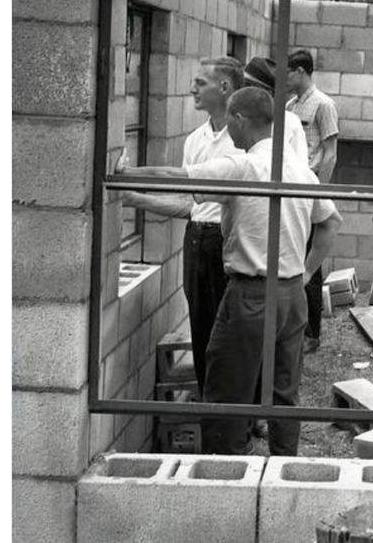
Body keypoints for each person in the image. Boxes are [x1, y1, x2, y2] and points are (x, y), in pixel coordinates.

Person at [117, 87, 342, 456]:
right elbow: (331, 223)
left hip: (251, 295)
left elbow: (177, 176)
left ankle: (228, 471)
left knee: (226, 389)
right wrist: (305, 273)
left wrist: (124, 175)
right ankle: (286, 469)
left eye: (231, 122)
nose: (228, 131)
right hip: (291, 296)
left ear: (239, 119)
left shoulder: (243, 166)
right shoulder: (302, 172)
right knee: (284, 391)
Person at [118, 56, 244, 395]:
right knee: (201, 327)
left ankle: (242, 413)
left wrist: (129, 177)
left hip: (228, 241)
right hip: (198, 241)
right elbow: (192, 206)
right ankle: (209, 405)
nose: (192, 89)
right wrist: (135, 199)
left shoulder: (242, 140)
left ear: (224, 87)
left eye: (200, 82)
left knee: (231, 331)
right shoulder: (195, 140)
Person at [285, 49, 340, 352]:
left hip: (309, 193)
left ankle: (312, 334)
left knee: (311, 265)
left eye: (289, 71)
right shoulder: (291, 106)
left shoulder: (324, 105)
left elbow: (330, 154)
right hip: (291, 194)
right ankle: (294, 328)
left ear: (302, 72)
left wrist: (318, 196)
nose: (286, 77)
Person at [241, 56, 309, 165]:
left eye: (248, 85)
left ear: (268, 92)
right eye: (242, 84)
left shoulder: (288, 122)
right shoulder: (236, 117)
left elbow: (300, 169)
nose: (242, 90)